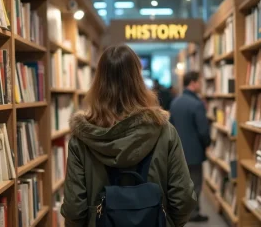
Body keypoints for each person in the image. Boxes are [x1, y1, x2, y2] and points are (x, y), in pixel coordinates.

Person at [61, 45, 196, 227]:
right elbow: (184, 198)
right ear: (138, 80)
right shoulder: (164, 131)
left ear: (98, 81)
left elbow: (73, 208)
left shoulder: (82, 137)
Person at [170, 71, 211, 223]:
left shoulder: (175, 102)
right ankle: (193, 214)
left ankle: (180, 212)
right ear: (193, 83)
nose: (200, 85)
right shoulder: (197, 104)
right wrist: (207, 144)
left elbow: (171, 127)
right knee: (195, 184)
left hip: (178, 152)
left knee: (181, 184)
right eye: (199, 82)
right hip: (194, 153)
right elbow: (203, 131)